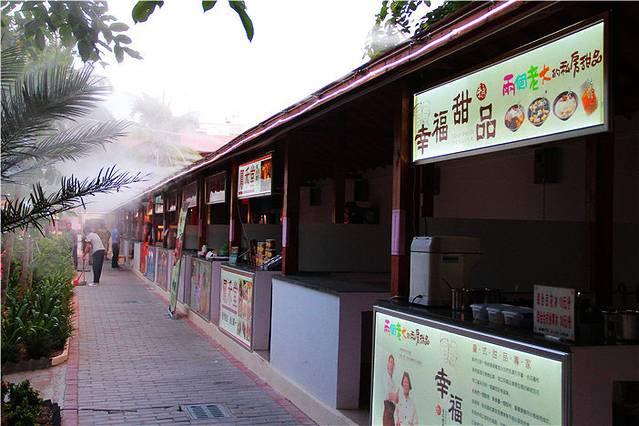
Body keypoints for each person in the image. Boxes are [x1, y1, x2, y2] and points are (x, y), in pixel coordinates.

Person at [382, 354, 399, 426]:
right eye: (390, 362)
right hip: (388, 409)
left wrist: (395, 396)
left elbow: (396, 400)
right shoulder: (385, 377)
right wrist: (394, 396)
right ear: (388, 364)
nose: (392, 364)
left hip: (392, 410)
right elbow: (388, 395)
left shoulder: (393, 381)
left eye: (393, 363)